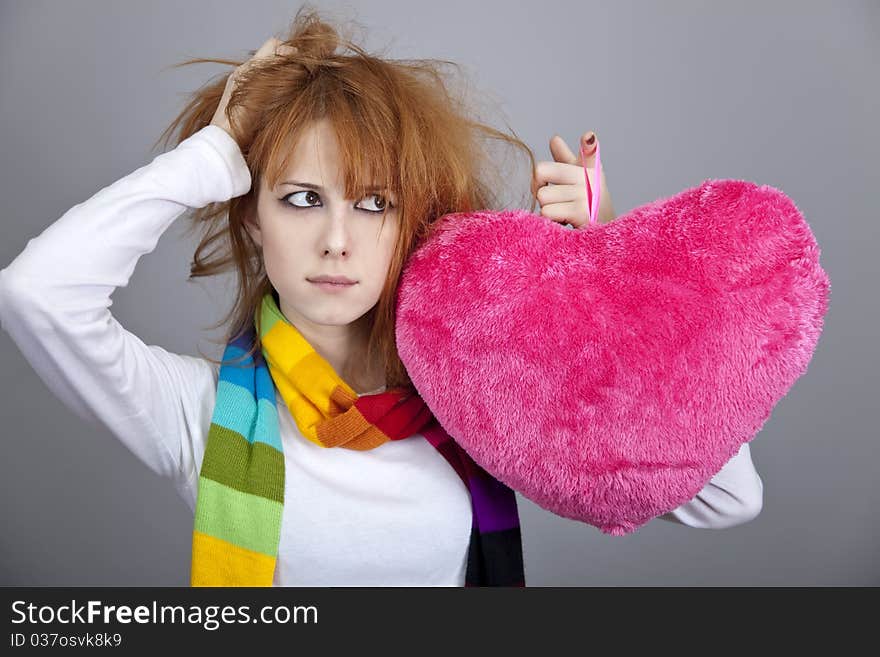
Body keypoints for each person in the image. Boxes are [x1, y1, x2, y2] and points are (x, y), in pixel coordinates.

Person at [0, 6, 763, 587]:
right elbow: (36, 294)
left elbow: (728, 496)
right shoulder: (195, 416)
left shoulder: (481, 405)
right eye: (302, 199)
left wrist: (608, 281)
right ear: (252, 218)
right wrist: (218, 150)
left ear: (413, 225)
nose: (338, 240)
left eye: (374, 204)